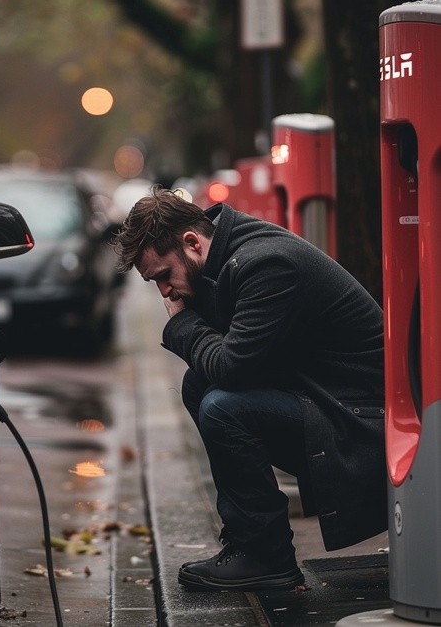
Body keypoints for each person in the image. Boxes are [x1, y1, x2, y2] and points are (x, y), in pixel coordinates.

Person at [112, 186, 386, 592]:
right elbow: (224, 361)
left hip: (364, 422)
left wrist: (183, 324)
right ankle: (248, 541)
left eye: (164, 276)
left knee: (223, 406)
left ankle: (266, 555)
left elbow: (232, 367)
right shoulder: (224, 259)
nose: (165, 293)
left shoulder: (267, 264)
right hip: (327, 398)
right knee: (198, 385)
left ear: (192, 241)